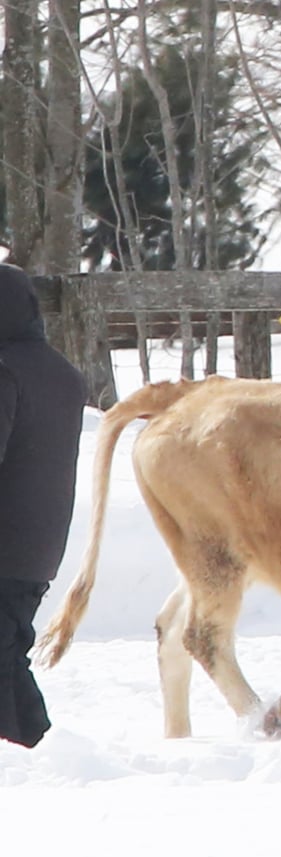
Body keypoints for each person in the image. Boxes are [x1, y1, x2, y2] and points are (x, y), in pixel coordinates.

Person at [0, 263, 86, 748]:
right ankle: (37, 748)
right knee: (9, 651)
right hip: (40, 546)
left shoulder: (4, 371)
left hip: (4, 537)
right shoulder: (62, 372)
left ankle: (35, 745)